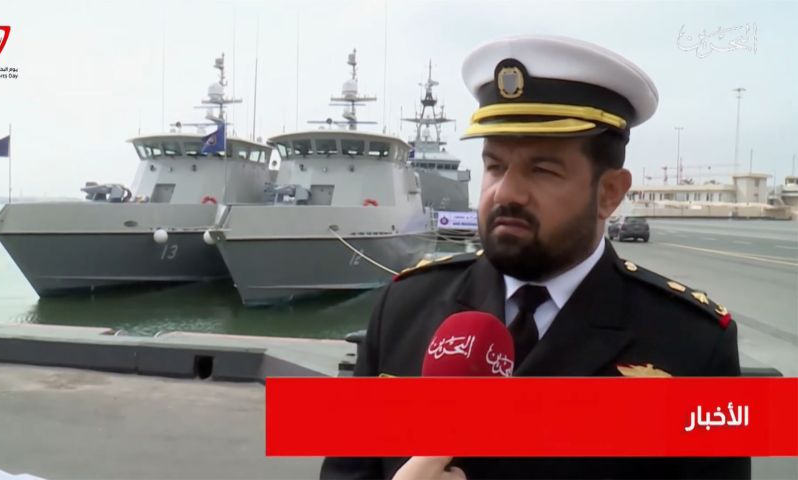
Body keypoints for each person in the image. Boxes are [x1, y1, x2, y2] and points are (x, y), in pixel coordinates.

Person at [320, 35, 749, 479]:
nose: (506, 192)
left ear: (609, 194)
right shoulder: (405, 310)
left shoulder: (691, 345)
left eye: (542, 170)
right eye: (495, 165)